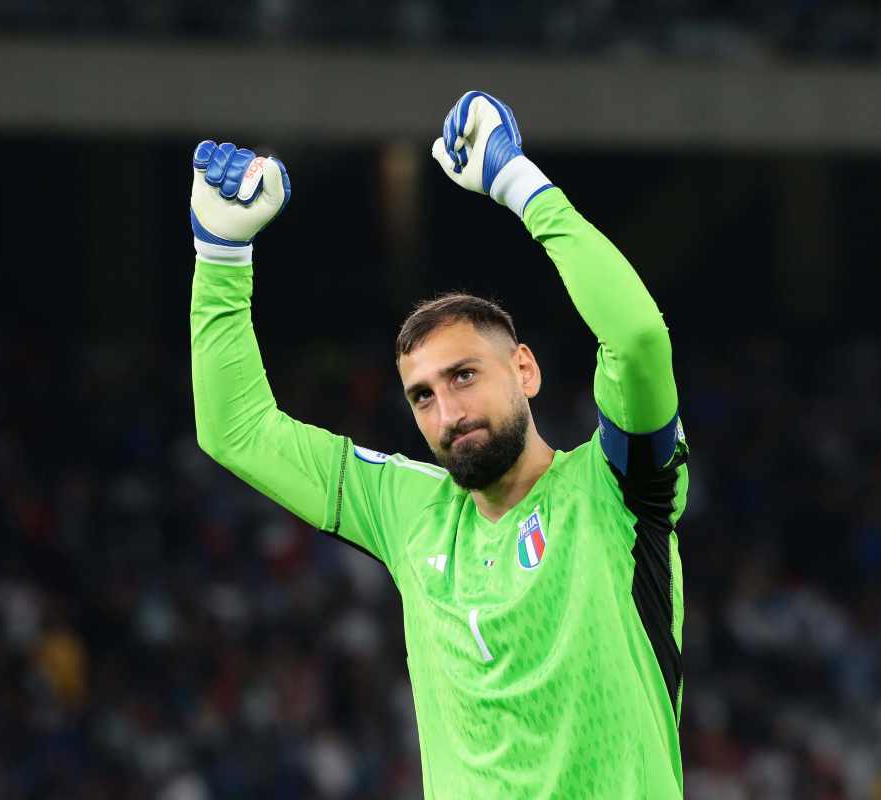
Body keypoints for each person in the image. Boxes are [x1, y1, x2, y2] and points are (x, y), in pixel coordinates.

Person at [189, 90, 690, 798]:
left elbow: (637, 340)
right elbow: (234, 428)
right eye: (423, 394)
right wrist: (220, 255)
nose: (447, 410)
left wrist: (521, 186)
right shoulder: (407, 508)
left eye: (463, 375)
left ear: (524, 369)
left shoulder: (618, 489)